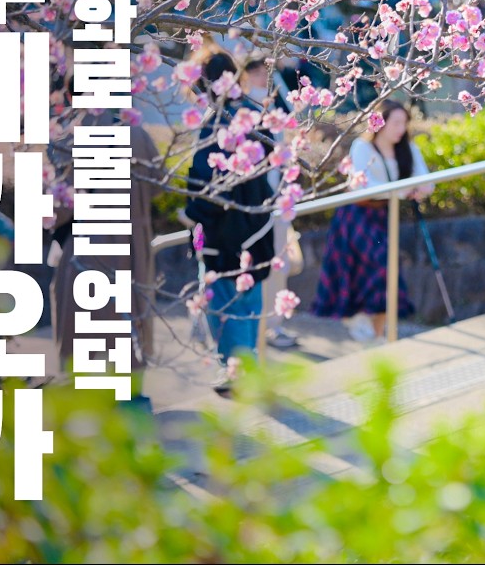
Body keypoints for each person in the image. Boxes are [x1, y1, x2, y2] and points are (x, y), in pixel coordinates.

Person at [46, 75, 160, 393]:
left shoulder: (70, 137)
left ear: (72, 95)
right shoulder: (137, 132)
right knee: (131, 317)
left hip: (89, 241)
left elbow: (59, 207)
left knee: (82, 322)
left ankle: (82, 401)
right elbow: (156, 183)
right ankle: (132, 395)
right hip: (133, 240)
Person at [184, 50, 276, 391]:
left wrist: (191, 215)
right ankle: (248, 367)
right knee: (249, 296)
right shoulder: (254, 113)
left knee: (223, 298)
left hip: (223, 231)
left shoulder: (216, 123)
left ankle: (237, 372)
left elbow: (207, 187)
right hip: (257, 222)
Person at [312, 99, 433, 344]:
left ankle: (378, 335)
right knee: (371, 269)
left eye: (404, 122)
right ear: (380, 123)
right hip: (357, 216)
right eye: (396, 122)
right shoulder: (362, 147)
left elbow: (426, 182)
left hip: (385, 214)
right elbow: (363, 184)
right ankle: (359, 321)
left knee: (386, 273)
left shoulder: (407, 149)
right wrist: (402, 190)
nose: (401, 128)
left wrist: (411, 190)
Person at [238, 50, 300, 350]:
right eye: (257, 71)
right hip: (250, 202)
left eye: (266, 71)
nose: (263, 76)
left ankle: (273, 324)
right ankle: (252, 325)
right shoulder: (239, 107)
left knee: (279, 263)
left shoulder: (276, 101)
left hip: (276, 198)